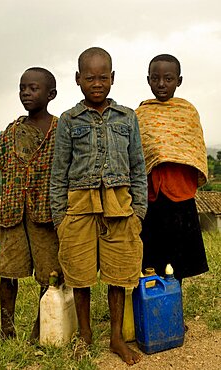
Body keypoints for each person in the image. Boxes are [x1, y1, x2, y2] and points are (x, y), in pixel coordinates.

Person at [50, 47, 147, 365]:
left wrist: (139, 213)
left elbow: (137, 168)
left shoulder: (127, 117)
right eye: (89, 77)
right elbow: (59, 172)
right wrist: (60, 218)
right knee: (80, 275)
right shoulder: (68, 121)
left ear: (113, 78)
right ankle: (86, 334)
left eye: (103, 77)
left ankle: (116, 337)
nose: (97, 83)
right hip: (79, 207)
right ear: (78, 79)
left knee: (119, 275)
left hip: (120, 207)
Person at [0, 67, 62, 341]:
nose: (26, 93)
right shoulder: (12, 131)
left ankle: (41, 327)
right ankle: (6, 329)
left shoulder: (60, 130)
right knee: (8, 273)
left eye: (33, 88)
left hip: (45, 215)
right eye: (23, 88)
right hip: (13, 212)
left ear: (51, 94)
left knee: (50, 274)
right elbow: (1, 158)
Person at [135, 54, 209, 284]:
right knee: (150, 259)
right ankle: (151, 314)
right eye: (155, 78)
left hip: (180, 194)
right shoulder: (141, 114)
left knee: (179, 261)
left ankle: (174, 313)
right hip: (150, 197)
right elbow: (137, 155)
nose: (161, 84)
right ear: (148, 80)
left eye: (168, 78)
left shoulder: (187, 112)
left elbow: (194, 150)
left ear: (179, 80)